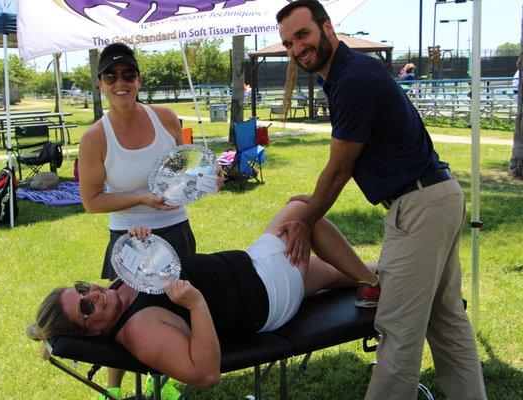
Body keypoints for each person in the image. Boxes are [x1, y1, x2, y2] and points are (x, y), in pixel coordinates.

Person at [275, 1, 486, 399]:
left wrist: (306, 219)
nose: (296, 49)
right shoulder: (344, 76)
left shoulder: (352, 78)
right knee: (446, 323)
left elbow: (340, 167)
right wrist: (315, 202)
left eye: (302, 35)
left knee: (398, 330)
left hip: (419, 205)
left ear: (326, 27)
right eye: (288, 43)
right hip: (438, 196)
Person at [28, 201, 378, 387]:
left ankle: (402, 274)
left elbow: (169, 267)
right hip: (266, 291)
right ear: (90, 331)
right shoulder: (140, 332)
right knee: (303, 213)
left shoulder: (120, 284)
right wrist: (195, 305)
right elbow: (205, 374)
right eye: (85, 307)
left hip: (253, 267)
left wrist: (146, 245)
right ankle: (370, 281)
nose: (94, 293)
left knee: (342, 272)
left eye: (82, 288)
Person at [78, 42, 201, 399]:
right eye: (111, 75)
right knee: (120, 315)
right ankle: (113, 391)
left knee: (174, 307)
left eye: (128, 74)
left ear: (139, 79)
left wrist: (209, 176)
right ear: (100, 83)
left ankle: (160, 378)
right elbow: (92, 201)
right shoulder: (95, 138)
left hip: (177, 229)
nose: (121, 82)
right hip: (128, 239)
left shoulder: (165, 119)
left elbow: (184, 170)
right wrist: (142, 198)